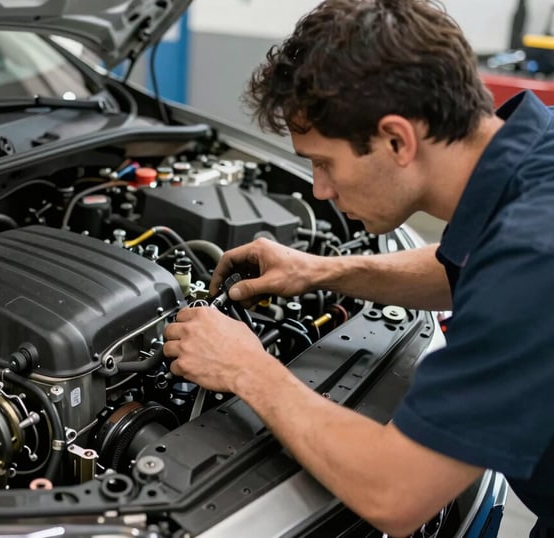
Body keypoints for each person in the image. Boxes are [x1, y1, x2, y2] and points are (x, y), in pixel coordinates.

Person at [161, 0, 554, 536]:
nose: (320, 190)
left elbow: (397, 494)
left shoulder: (533, 255)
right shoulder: (534, 158)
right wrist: (322, 270)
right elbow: (465, 267)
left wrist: (246, 368)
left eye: (324, 163)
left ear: (397, 139)